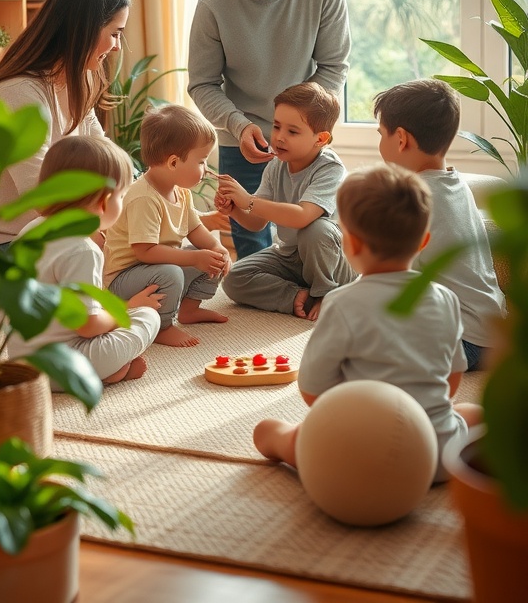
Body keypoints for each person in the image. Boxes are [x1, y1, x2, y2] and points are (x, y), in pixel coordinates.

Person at [253, 164, 483, 481]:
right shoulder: (445, 299)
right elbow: (452, 380)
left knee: (268, 431)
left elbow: (312, 390)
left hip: (356, 454)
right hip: (434, 454)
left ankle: (285, 442)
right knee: (473, 414)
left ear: (352, 244)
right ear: (423, 242)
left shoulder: (340, 303)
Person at [187, 0, 350, 260]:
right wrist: (240, 126)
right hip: (243, 138)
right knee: (250, 250)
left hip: (304, 136)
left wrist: (298, 128)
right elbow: (202, 83)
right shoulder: (213, 5)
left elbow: (334, 65)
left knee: (312, 233)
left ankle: (313, 295)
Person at [0, 0, 129, 245]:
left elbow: (106, 158)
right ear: (83, 30)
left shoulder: (80, 79)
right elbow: (39, 195)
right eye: (115, 33)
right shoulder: (17, 93)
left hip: (48, 235)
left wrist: (156, 192)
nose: (117, 47)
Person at [374, 78, 507, 371]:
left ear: (400, 139)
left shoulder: (414, 200)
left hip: (461, 339)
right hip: (491, 330)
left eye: (381, 134)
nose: (380, 144)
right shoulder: (457, 184)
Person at [6, 135, 162, 386]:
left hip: (22, 363)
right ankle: (101, 374)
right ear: (103, 203)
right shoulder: (82, 250)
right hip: (65, 365)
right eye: (121, 197)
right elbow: (87, 327)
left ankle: (111, 372)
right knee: (147, 316)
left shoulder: (29, 232)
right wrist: (126, 308)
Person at [217, 82, 354, 321]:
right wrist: (235, 210)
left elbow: (302, 216)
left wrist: (248, 200)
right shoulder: (276, 165)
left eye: (292, 131)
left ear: (320, 139)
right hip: (290, 256)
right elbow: (257, 223)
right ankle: (297, 296)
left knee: (316, 229)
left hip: (333, 260)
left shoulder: (330, 168)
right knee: (234, 278)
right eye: (277, 126)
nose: (279, 137)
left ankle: (327, 293)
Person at [103, 104, 233, 348]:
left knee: (210, 257)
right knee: (173, 271)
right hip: (124, 280)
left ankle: (189, 310)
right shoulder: (143, 197)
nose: (205, 170)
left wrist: (217, 248)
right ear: (173, 162)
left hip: (155, 269)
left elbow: (195, 230)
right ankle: (162, 327)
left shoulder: (180, 193)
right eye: (202, 161)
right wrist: (194, 260)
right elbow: (145, 252)